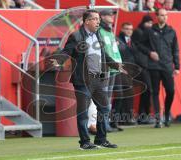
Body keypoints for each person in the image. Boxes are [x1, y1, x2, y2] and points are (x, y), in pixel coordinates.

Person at [51, 9, 127, 150]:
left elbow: (103, 54)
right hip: (83, 80)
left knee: (104, 109)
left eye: (99, 18)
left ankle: (101, 139)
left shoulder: (98, 35)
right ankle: (85, 142)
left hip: (98, 79)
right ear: (87, 21)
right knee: (83, 112)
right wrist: (59, 61)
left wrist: (115, 64)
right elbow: (67, 51)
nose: (98, 21)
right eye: (95, 19)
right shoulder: (77, 36)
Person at [145, 8, 180, 128]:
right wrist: (150, 52)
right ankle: (157, 119)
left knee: (171, 91)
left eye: (165, 15)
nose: (164, 17)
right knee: (155, 92)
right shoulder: (149, 31)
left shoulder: (172, 31)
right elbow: (140, 45)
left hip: (167, 66)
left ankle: (166, 116)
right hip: (153, 66)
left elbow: (175, 49)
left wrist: (177, 66)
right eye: (161, 15)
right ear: (157, 16)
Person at [99, 9, 124, 132]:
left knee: (108, 97)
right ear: (102, 17)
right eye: (109, 15)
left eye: (112, 15)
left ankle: (106, 123)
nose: (112, 17)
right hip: (105, 67)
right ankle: (102, 124)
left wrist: (118, 63)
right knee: (104, 97)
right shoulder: (100, 31)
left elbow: (114, 50)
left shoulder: (109, 31)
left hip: (113, 67)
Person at [132, 15, 154, 124]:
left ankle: (143, 115)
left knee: (147, 90)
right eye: (148, 23)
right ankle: (143, 115)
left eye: (151, 23)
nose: (149, 25)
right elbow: (136, 50)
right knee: (148, 90)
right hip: (142, 66)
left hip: (147, 66)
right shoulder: (139, 32)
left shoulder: (147, 33)